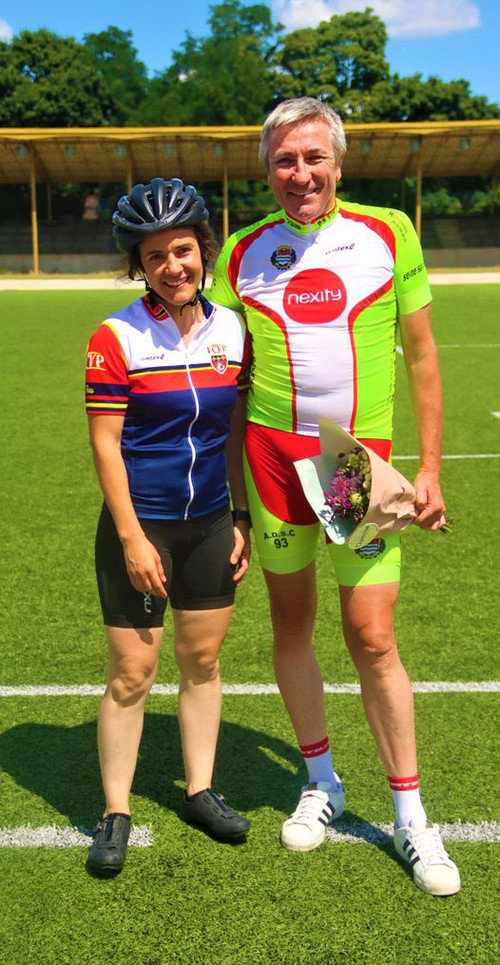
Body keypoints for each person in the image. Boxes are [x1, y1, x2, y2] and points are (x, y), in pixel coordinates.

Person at [210, 98, 460, 896]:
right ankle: (321, 779)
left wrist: (429, 469)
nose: (301, 173)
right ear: (267, 170)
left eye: (314, 157)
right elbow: (226, 385)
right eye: (285, 160)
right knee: (292, 622)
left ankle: (411, 813)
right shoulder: (241, 252)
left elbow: (423, 355)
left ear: (339, 163)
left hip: (348, 463)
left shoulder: (388, 233)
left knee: (372, 635)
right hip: (273, 461)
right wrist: (234, 503)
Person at [85, 177, 252, 873]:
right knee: (133, 672)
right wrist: (131, 538)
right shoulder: (117, 335)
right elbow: (105, 444)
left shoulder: (232, 330)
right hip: (142, 525)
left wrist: (239, 512)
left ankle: (200, 789)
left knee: (202, 662)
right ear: (140, 265)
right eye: (155, 256)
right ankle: (115, 808)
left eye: (182, 250)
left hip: (211, 522)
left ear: (203, 250)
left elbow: (234, 429)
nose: (172, 266)